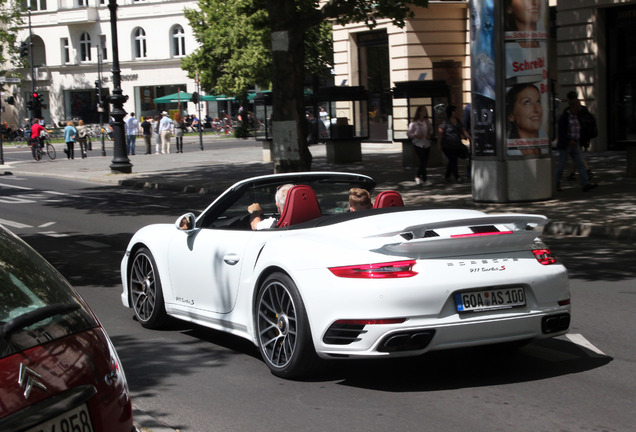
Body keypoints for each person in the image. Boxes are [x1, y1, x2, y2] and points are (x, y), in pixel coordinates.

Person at [556, 92, 598, 192]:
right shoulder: (565, 117)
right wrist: (568, 140)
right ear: (573, 106)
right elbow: (561, 132)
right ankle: (556, 183)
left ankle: (585, 184)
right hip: (566, 144)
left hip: (576, 143)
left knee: (580, 163)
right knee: (561, 164)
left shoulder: (577, 116)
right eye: (578, 106)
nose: (579, 108)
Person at [437, 105, 471, 183]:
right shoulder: (445, 122)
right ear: (451, 112)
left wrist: (469, 138)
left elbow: (463, 130)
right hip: (447, 145)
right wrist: (439, 144)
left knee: (453, 160)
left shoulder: (458, 121)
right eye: (455, 111)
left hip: (457, 144)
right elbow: (440, 134)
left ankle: (447, 176)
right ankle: (457, 177)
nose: (456, 112)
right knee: (453, 160)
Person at [407, 105, 434, 186]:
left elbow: (431, 130)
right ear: (419, 112)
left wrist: (429, 135)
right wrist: (415, 136)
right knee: (422, 161)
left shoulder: (427, 122)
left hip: (426, 143)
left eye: (425, 111)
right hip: (418, 144)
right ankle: (425, 179)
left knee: (424, 162)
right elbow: (409, 133)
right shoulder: (414, 123)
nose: (424, 112)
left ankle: (418, 176)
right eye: (423, 111)